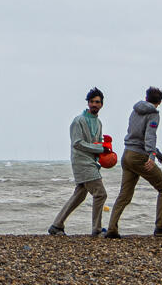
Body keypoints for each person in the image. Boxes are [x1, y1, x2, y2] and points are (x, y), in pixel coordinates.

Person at [106, 86, 162, 238]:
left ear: (146, 98)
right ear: (159, 102)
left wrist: (159, 155)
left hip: (127, 155)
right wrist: (152, 157)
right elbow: (149, 136)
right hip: (140, 157)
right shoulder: (153, 114)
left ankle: (112, 228)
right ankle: (160, 226)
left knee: (125, 194)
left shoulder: (135, 111)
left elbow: (137, 137)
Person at [49, 88, 108, 236]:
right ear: (88, 103)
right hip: (81, 162)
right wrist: (100, 149)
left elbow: (98, 141)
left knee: (80, 194)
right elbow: (77, 143)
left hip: (92, 162)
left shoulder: (98, 122)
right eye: (92, 102)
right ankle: (97, 229)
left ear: (102, 104)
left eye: (98, 102)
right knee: (100, 194)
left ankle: (56, 225)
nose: (95, 104)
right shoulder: (79, 121)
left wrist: (105, 150)